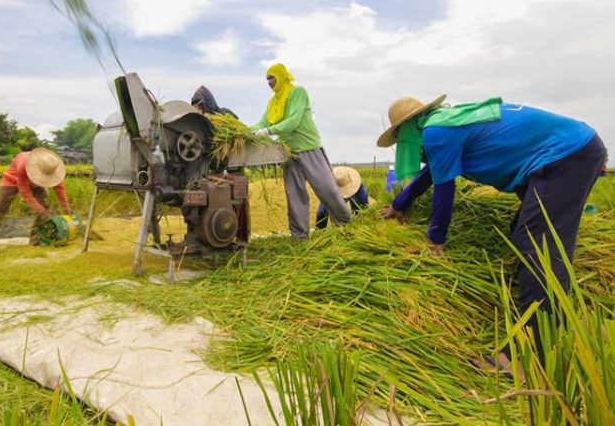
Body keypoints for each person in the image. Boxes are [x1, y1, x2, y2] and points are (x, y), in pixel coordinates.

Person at [376, 95, 606, 375]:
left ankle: (531, 355)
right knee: (524, 235)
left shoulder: (437, 131)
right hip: (569, 150)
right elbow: (434, 173)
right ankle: (557, 320)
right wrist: (400, 205)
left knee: (538, 248)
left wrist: (436, 239)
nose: (403, 145)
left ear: (409, 127)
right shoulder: (449, 121)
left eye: (400, 137)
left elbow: (444, 189)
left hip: (565, 156)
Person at [250, 63, 351, 240]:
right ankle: (300, 237)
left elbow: (293, 121)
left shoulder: (298, 93)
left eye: (272, 77)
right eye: (267, 79)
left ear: (282, 76)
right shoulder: (273, 102)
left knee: (326, 188)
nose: (269, 82)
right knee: (294, 195)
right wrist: (246, 132)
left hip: (309, 148)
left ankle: (346, 225)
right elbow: (262, 123)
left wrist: (268, 131)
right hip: (289, 153)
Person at [0, 147, 72, 253]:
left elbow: (59, 189)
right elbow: (25, 193)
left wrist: (67, 209)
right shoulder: (24, 165)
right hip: (12, 179)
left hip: (36, 184)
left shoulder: (52, 168)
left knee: (45, 203)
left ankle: (36, 239)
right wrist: (42, 211)